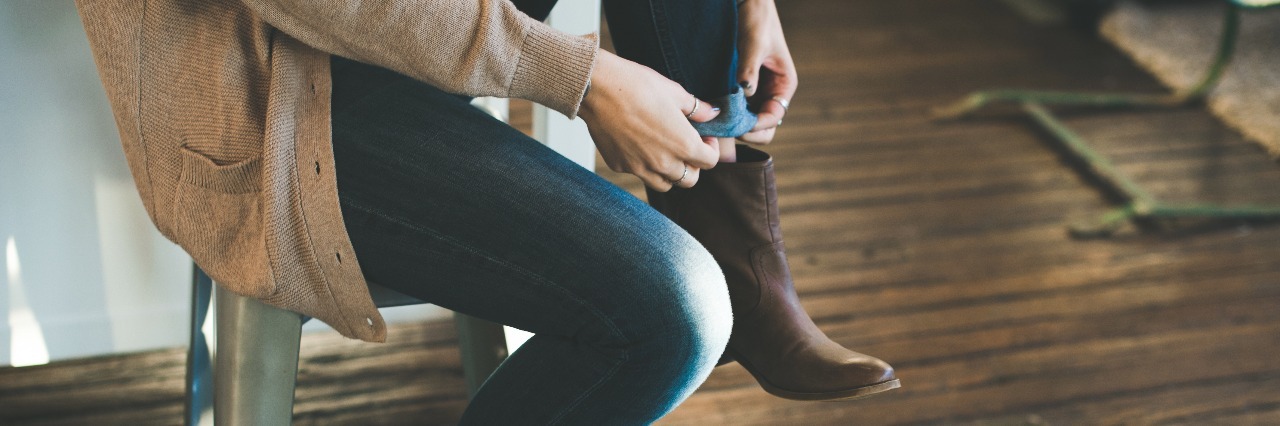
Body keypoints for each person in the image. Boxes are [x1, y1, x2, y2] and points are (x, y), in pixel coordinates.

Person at [76, 0, 895, 423]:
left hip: (407, 41)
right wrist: (581, 79)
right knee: (671, 311)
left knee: (695, 304)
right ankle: (727, 289)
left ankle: (743, 255)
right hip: (272, 101)